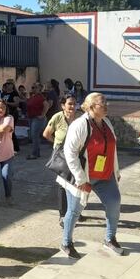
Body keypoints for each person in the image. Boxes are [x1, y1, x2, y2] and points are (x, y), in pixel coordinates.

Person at [63, 93, 122, 258]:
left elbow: (112, 148)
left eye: (106, 103)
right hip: (83, 175)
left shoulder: (106, 122)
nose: (106, 107)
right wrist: (80, 179)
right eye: (102, 104)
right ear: (90, 107)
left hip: (105, 174)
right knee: (74, 210)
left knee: (114, 203)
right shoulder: (79, 125)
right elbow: (70, 152)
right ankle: (66, 242)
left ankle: (110, 238)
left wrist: (115, 171)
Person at [43, 94, 85, 228]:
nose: (72, 106)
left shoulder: (80, 118)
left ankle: (75, 210)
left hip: (77, 155)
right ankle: (62, 215)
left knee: (78, 183)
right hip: (61, 156)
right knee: (63, 184)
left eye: (74, 103)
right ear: (63, 105)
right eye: (69, 104)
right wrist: (57, 145)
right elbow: (46, 134)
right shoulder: (57, 117)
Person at [26, 83, 50, 160]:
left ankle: (34, 153)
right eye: (33, 87)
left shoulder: (40, 97)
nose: (33, 89)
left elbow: (46, 105)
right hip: (32, 118)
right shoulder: (33, 96)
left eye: (35, 87)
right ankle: (37, 152)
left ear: (39, 88)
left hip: (37, 118)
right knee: (34, 136)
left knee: (34, 136)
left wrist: (42, 115)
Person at [1, 82, 21, 153]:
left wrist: (7, 103)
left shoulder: (14, 94)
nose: (8, 86)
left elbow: (16, 104)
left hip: (12, 114)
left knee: (11, 131)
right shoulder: (4, 93)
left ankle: (15, 148)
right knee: (6, 131)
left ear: (12, 85)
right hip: (5, 114)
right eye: (7, 84)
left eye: (9, 84)